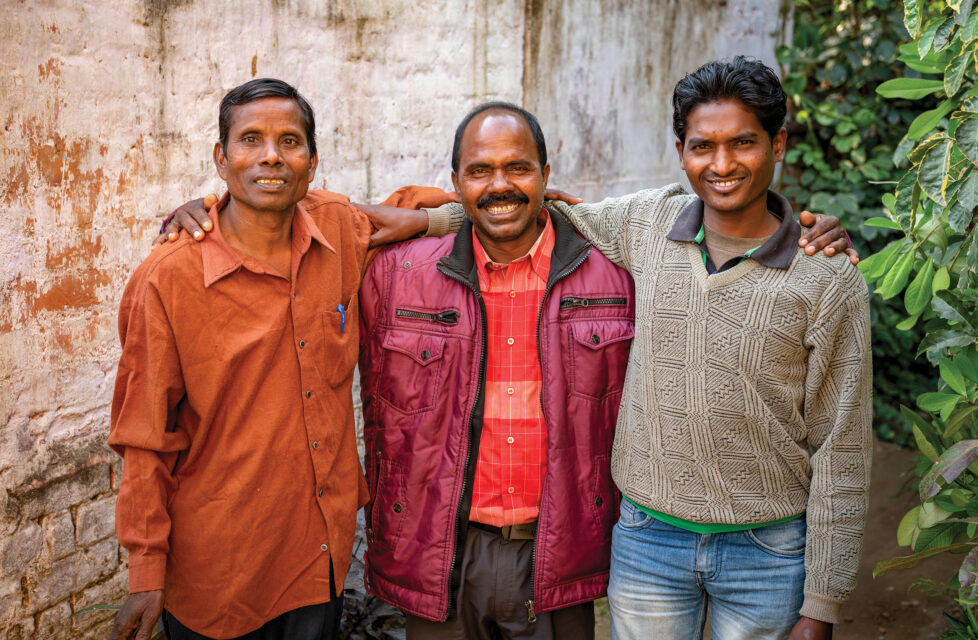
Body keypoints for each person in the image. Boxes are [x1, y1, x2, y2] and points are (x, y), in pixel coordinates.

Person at [420, 57, 872, 640]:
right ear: (681, 151)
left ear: (778, 143)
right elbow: (525, 206)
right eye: (703, 146)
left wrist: (823, 605)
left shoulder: (825, 277)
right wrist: (431, 218)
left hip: (768, 546)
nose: (723, 164)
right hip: (646, 539)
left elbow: (843, 449)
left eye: (744, 143)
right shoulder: (648, 223)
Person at [108, 78, 374, 640]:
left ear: (311, 161)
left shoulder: (338, 231)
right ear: (221, 158)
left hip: (319, 558)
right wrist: (146, 569)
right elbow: (144, 436)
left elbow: (418, 213)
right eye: (251, 139)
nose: (272, 154)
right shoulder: (168, 279)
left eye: (290, 141)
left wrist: (514, 207)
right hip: (221, 576)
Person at [357, 102, 633, 639]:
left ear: (546, 177)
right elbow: (293, 218)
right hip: (440, 553)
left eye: (518, 168)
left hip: (558, 552)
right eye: (480, 170)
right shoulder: (396, 274)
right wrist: (210, 208)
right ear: (455, 182)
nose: (499, 185)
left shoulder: (615, 276)